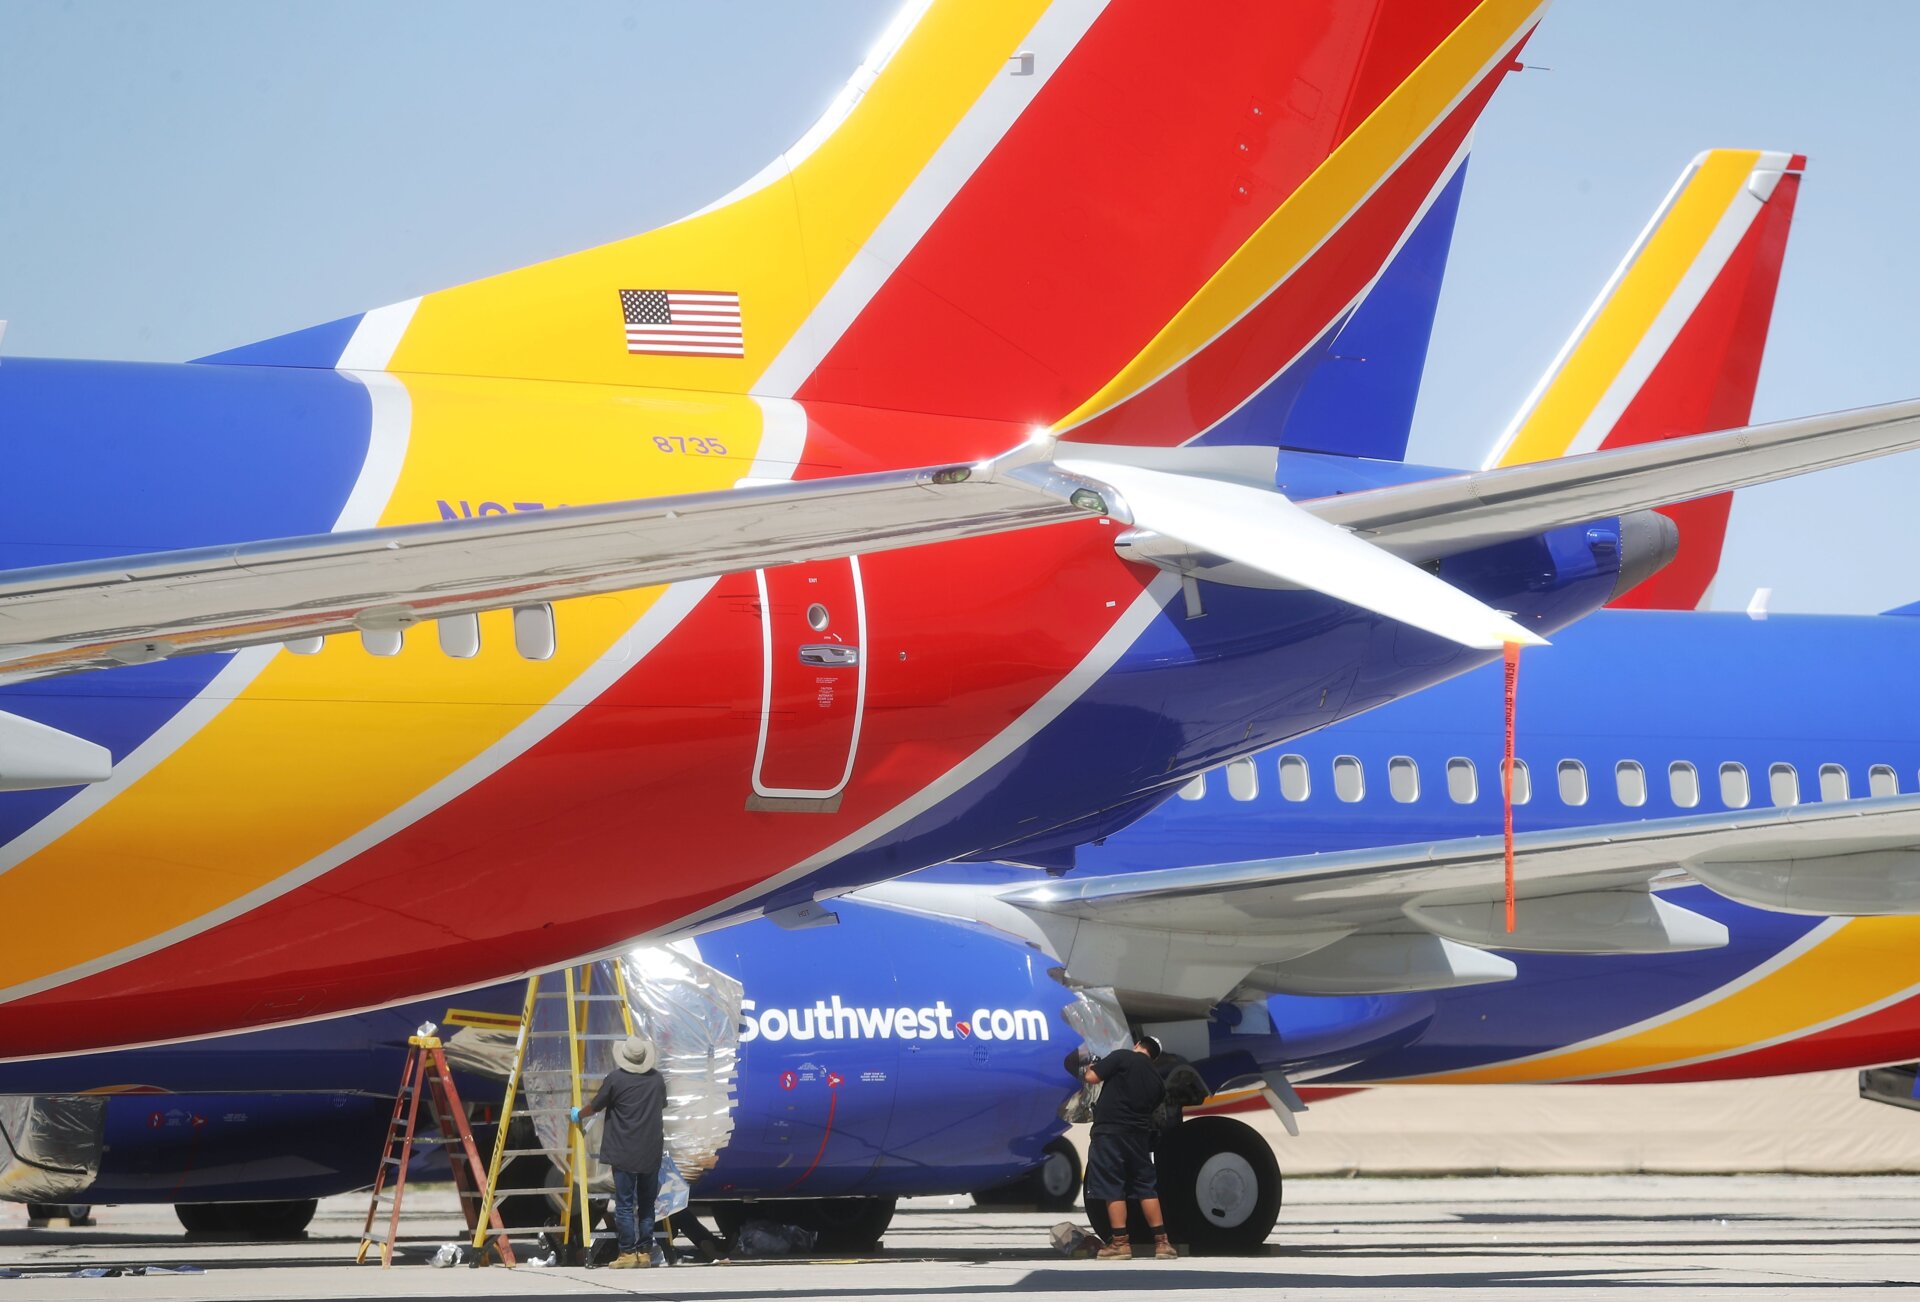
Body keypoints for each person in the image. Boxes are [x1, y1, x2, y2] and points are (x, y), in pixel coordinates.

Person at [571, 1033, 665, 1270]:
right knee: (646, 1204)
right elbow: (661, 1104)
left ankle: (626, 1253)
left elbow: (596, 1106)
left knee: (623, 1204)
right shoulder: (656, 1080)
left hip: (623, 1150)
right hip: (651, 1150)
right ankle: (644, 1253)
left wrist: (577, 1114)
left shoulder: (615, 1079)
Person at [1081, 1033, 1177, 1260]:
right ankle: (1162, 1243)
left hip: (1110, 1134)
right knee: (1146, 1187)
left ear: (1137, 1045)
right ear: (1153, 1057)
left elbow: (1092, 1077)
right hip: (1139, 1138)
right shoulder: (1157, 1080)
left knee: (1113, 1187)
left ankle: (1120, 1243)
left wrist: (1089, 1067)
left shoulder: (1122, 1057)